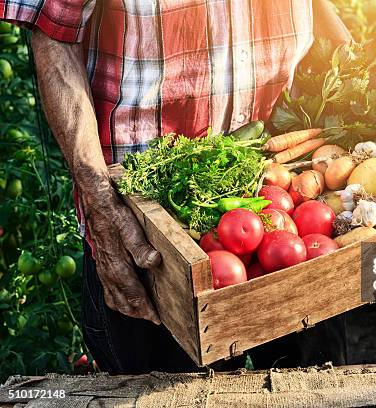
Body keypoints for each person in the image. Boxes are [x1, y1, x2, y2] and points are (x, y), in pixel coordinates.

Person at [0, 0, 351, 374]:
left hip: (286, 205)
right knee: (165, 390)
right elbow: (55, 30)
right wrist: (99, 201)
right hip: (148, 229)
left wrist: (346, 56)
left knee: (313, 385)